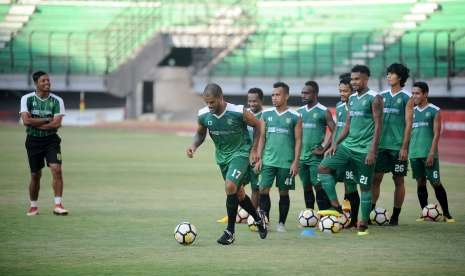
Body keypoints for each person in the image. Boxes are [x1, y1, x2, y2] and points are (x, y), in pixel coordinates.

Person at [186, 83, 267, 245]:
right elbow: (200, 134)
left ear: (221, 98)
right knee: (239, 194)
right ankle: (258, 219)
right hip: (222, 158)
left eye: (212, 102)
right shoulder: (203, 115)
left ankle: (230, 232)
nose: (209, 106)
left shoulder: (237, 112)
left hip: (241, 153)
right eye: (206, 103)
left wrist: (254, 150)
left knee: (230, 186)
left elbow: (259, 125)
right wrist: (194, 146)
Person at [318, 65, 383, 236]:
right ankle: (336, 205)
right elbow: (347, 124)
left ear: (366, 79)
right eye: (352, 79)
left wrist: (372, 151)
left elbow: (378, 127)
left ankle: (363, 223)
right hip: (346, 147)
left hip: (364, 152)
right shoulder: (352, 98)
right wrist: (335, 143)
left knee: (364, 187)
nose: (354, 82)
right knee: (323, 168)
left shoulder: (375, 98)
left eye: (357, 79)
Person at [19, 71, 68, 216]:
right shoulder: (26, 99)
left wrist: (37, 123)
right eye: (43, 81)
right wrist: (47, 120)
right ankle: (33, 206)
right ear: (36, 83)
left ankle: (58, 205)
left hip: (51, 140)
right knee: (35, 175)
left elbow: (56, 124)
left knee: (56, 169)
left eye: (48, 81)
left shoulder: (57, 101)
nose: (47, 83)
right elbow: (26, 121)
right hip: (33, 141)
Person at [255, 82, 302, 233]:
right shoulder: (266, 114)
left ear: (286, 96)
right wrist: (259, 157)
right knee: (263, 189)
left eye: (278, 95)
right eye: (273, 95)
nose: (274, 98)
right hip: (268, 160)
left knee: (284, 192)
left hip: (286, 163)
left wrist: (296, 162)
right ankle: (265, 221)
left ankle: (281, 223)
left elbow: (298, 141)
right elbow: (262, 137)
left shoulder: (295, 116)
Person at [371, 63, 413, 226]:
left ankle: (395, 216)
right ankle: (369, 212)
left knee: (398, 180)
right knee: (376, 179)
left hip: (397, 147)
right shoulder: (380, 96)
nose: (388, 76)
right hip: (381, 146)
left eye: (392, 74)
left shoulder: (407, 98)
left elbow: (409, 124)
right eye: (387, 73)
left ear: (400, 77)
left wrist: (404, 147)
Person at [216, 87, 264, 224]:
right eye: (250, 101)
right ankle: (236, 214)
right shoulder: (243, 114)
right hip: (242, 156)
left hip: (255, 156)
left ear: (261, 101)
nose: (252, 104)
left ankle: (253, 217)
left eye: (255, 101)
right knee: (236, 187)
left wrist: (259, 154)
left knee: (256, 187)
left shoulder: (264, 116)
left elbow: (264, 138)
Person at [409, 82, 454, 223]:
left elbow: (436, 134)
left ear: (425, 94)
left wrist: (431, 153)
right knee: (420, 182)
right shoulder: (411, 111)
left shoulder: (434, 110)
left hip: (428, 153)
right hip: (414, 153)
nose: (414, 96)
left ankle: (447, 214)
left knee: (435, 182)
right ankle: (424, 213)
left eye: (417, 93)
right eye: (413, 93)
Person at [296, 81, 334, 211]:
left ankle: (324, 213)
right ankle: (309, 214)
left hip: (315, 157)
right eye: (302, 93)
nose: (303, 95)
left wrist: (324, 147)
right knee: (306, 185)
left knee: (318, 184)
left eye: (307, 93)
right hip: (301, 157)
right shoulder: (299, 112)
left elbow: (335, 131)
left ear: (315, 94)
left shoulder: (324, 111)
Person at [334, 75, 359, 228]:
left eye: (345, 91)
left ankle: (355, 220)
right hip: (338, 151)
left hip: (351, 151)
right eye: (340, 91)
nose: (342, 94)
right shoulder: (338, 106)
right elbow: (337, 127)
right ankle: (338, 212)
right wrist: (330, 146)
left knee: (350, 185)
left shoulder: (356, 107)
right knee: (326, 177)